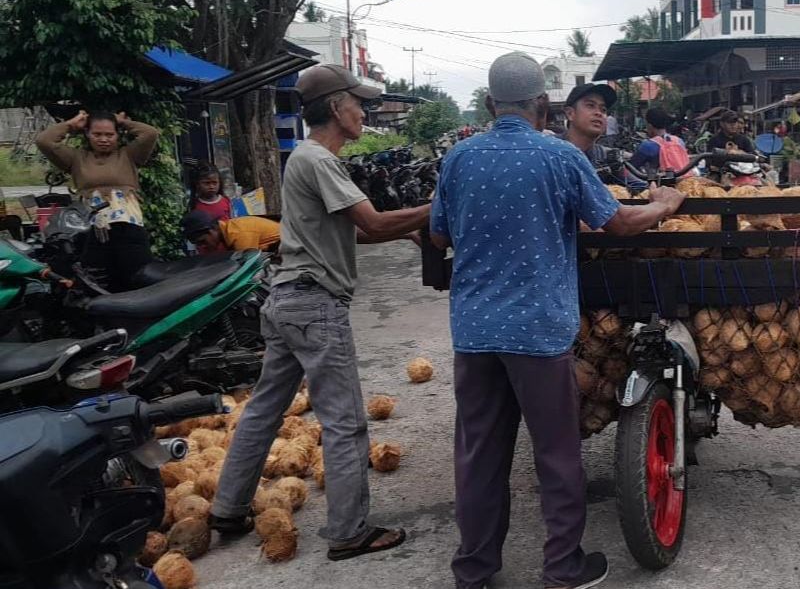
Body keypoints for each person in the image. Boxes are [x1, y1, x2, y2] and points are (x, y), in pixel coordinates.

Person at [431, 52, 685, 589]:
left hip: (474, 332)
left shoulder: (459, 158)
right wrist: (663, 205)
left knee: (479, 454)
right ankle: (562, 567)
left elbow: (438, 233)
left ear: (486, 103)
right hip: (538, 330)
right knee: (556, 452)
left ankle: (474, 571)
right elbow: (616, 222)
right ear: (544, 105)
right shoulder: (559, 157)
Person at [209, 64, 429, 561]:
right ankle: (350, 532)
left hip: (285, 300)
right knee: (344, 421)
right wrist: (437, 209)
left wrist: (409, 229)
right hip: (315, 304)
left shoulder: (304, 159)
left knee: (264, 410)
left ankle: (227, 506)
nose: (363, 111)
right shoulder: (320, 161)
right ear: (335, 107)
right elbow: (372, 219)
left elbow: (358, 231)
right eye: (358, 103)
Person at [35, 110, 158, 290]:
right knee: (97, 282)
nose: (103, 139)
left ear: (117, 135)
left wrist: (122, 122)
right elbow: (44, 141)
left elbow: (150, 134)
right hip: (94, 231)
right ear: (87, 134)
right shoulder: (76, 158)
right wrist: (72, 124)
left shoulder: (129, 155)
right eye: (97, 134)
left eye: (109, 134)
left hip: (129, 229)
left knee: (140, 278)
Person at [562, 83, 647, 193]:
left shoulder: (606, 157)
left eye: (603, 109)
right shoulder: (549, 153)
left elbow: (638, 185)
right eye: (590, 105)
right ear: (570, 113)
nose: (599, 113)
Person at [181, 210, 281, 253]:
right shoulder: (228, 231)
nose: (203, 247)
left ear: (212, 230)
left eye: (203, 242)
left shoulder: (238, 234)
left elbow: (249, 268)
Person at [627, 107, 691, 176]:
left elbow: (632, 167)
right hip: (684, 180)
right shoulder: (679, 141)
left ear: (650, 125)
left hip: (660, 184)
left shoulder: (647, 145)